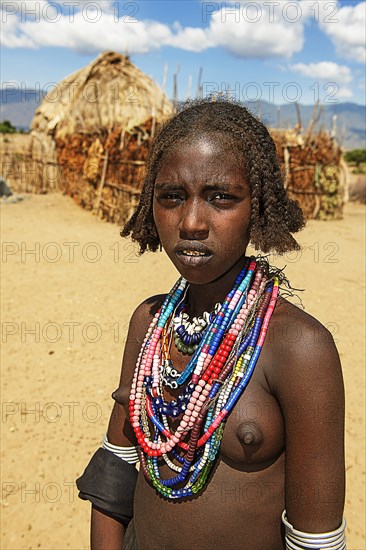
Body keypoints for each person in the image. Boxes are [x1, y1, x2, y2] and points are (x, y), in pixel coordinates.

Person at [77, 99, 346, 550]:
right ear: (150, 205)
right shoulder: (149, 325)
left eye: (222, 197)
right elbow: (115, 474)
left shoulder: (300, 347)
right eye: (172, 197)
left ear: (257, 208)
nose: (192, 222)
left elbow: (315, 538)